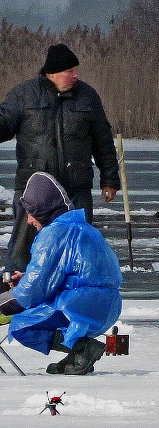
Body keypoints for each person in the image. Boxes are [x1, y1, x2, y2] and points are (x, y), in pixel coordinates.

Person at [0, 44, 120, 276]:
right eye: (70, 71)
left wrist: (110, 179)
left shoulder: (88, 97)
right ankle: (14, 297)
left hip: (75, 188)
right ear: (52, 73)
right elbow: (3, 125)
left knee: (79, 250)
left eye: (76, 70)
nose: (76, 75)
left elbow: (102, 140)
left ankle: (74, 295)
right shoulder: (23, 95)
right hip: (32, 191)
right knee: (21, 254)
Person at [0, 171, 121, 375]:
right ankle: (78, 354)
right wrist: (26, 278)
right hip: (106, 306)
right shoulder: (81, 227)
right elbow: (62, 273)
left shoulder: (53, 234)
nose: (28, 220)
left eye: (31, 212)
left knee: (22, 326)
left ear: (44, 209)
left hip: (80, 304)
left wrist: (6, 303)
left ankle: (82, 347)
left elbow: (36, 288)